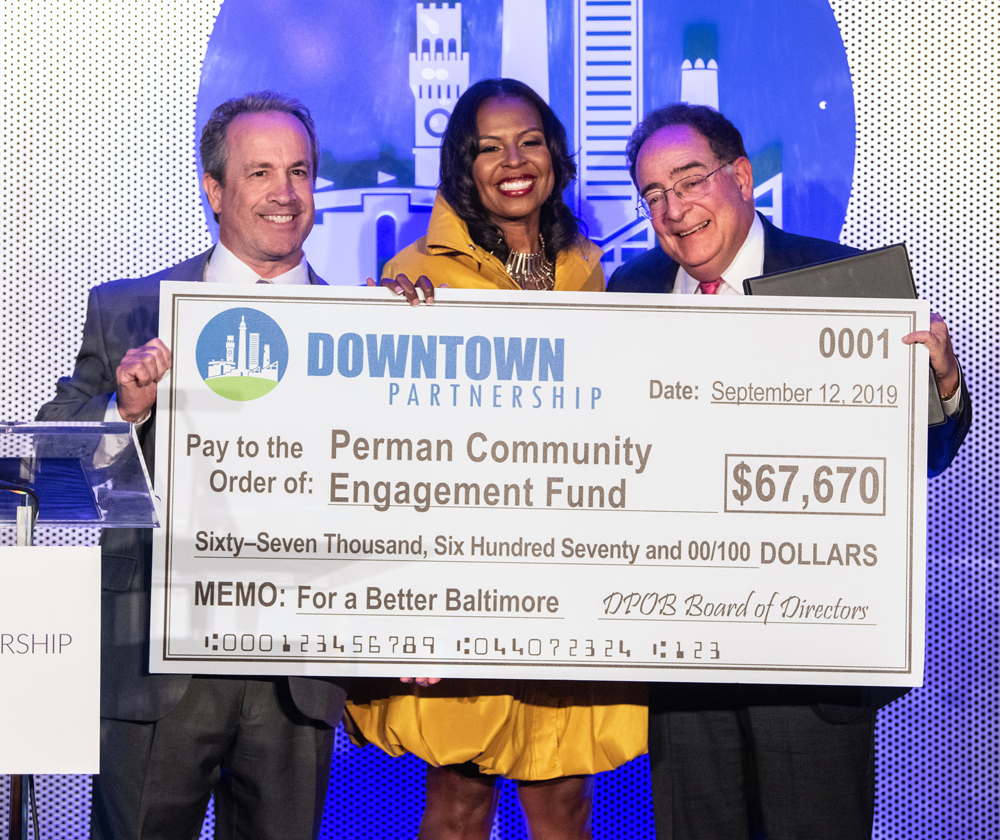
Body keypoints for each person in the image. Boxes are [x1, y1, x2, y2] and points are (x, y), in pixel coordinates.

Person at [607, 103, 972, 840]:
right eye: (653, 195)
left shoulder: (842, 280)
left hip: (811, 661)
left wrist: (941, 384)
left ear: (741, 178)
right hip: (686, 663)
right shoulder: (630, 291)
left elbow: (927, 457)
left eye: (689, 181)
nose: (673, 211)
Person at [36, 91, 348, 840]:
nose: (285, 193)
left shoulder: (362, 327)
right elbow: (49, 471)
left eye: (300, 172)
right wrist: (125, 411)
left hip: (294, 677)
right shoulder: (129, 311)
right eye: (261, 172)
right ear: (214, 190)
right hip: (157, 670)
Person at [349, 78, 645, 840]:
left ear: (555, 153)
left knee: (565, 798)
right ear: (461, 165)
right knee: (460, 794)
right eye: (489, 147)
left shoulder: (589, 264)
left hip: (568, 563)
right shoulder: (415, 275)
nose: (513, 161)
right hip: (466, 568)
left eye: (530, 141)